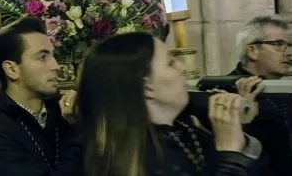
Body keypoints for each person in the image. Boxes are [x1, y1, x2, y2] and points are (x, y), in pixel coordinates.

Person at [76, 32, 262, 176]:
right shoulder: (136, 157)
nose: (182, 68)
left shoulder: (187, 129)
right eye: (171, 63)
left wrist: (237, 131)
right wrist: (230, 155)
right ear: (147, 87)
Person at [0, 18, 80, 175]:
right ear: (12, 70)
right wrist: (79, 133)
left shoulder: (63, 111)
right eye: (43, 57)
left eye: (53, 55)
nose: (56, 66)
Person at [229, 16, 292, 176]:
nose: (289, 53)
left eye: (289, 45)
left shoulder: (281, 88)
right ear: (253, 51)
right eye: (279, 45)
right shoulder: (228, 92)